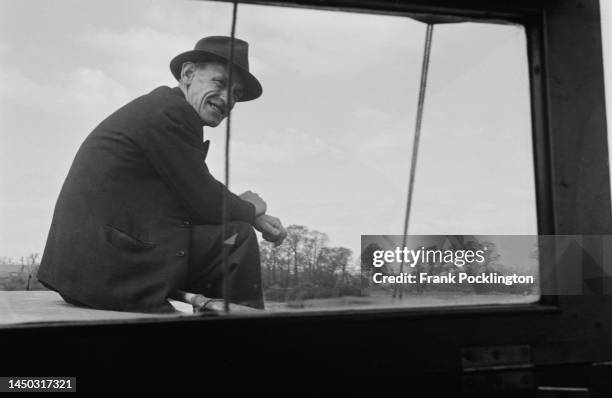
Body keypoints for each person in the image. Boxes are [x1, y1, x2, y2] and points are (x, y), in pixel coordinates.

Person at [37, 36, 286, 313]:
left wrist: (246, 211)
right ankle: (247, 342)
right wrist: (252, 210)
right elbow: (205, 201)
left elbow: (193, 198)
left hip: (94, 263)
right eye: (220, 83)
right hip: (108, 266)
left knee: (226, 236)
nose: (228, 99)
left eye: (236, 95)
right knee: (236, 239)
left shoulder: (164, 109)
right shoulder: (171, 113)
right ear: (188, 74)